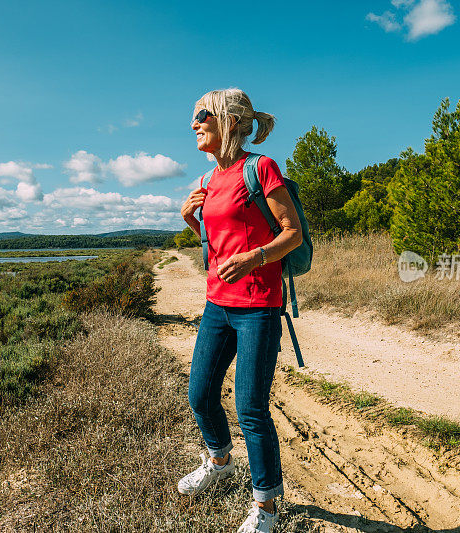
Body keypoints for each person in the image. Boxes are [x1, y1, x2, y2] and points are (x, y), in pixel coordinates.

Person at [178, 88, 302, 533]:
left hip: (258, 308)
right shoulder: (208, 180)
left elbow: (292, 235)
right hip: (217, 306)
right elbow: (217, 246)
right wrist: (193, 221)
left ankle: (266, 506)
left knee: (250, 407)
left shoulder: (260, 168)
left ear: (228, 122)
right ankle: (219, 460)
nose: (194, 123)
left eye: (202, 115)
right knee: (200, 395)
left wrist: (255, 259)